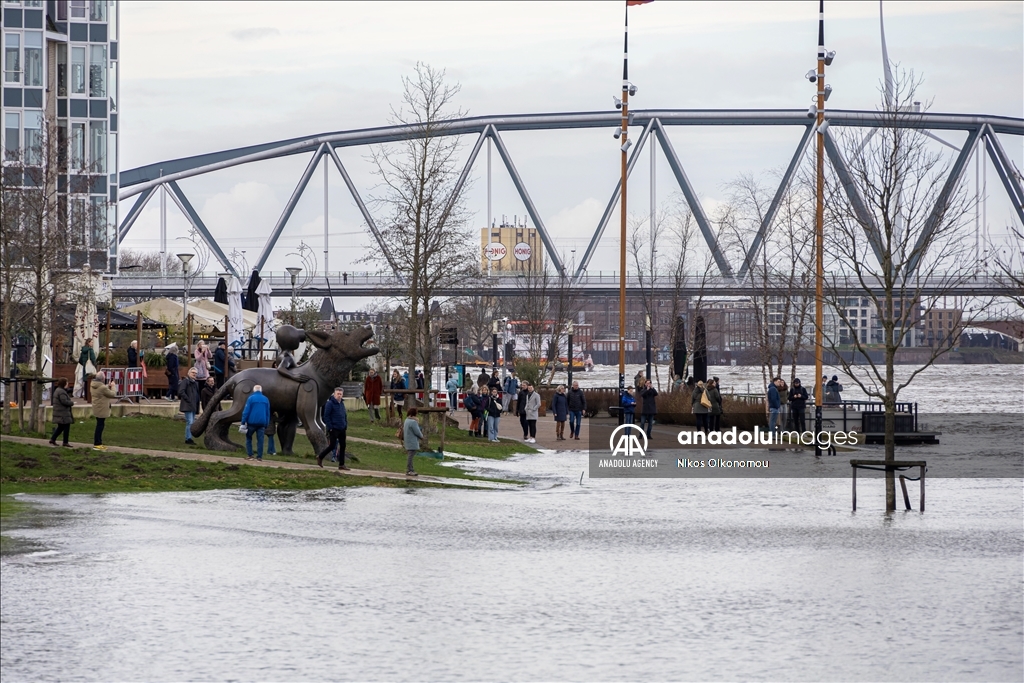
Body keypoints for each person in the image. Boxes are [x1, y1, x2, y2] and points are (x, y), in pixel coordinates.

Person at [319, 387, 349, 469]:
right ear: (334, 394)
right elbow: (326, 416)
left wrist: (345, 424)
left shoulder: (341, 403)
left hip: (342, 428)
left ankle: (341, 464)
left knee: (343, 446)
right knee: (332, 446)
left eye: (340, 394)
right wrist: (330, 427)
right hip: (334, 428)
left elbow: (344, 415)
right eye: (338, 394)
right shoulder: (330, 403)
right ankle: (320, 457)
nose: (339, 395)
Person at [240, 384, 271, 461]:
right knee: (260, 440)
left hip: (251, 422)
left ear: (254, 390)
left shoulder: (251, 398)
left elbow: (246, 411)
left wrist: (243, 422)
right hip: (262, 423)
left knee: (249, 438)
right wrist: (267, 423)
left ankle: (250, 455)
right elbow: (267, 413)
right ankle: (259, 456)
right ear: (261, 390)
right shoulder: (266, 399)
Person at [90, 371, 117, 451]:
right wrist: (113, 386)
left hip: (97, 407)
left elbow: (102, 390)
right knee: (100, 426)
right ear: (102, 379)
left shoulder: (93, 385)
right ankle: (97, 443)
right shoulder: (102, 388)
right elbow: (112, 394)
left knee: (99, 425)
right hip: (102, 408)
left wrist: (107, 386)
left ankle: (98, 443)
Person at [48, 377, 74, 447]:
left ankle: (53, 439)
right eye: (67, 382)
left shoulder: (58, 390)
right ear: (64, 384)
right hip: (63, 413)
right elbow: (64, 401)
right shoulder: (61, 391)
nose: (67, 384)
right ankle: (65, 442)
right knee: (66, 427)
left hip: (59, 412)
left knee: (60, 427)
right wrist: (71, 403)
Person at [179, 367, 201, 445]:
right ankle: (188, 438)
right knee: (190, 422)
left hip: (193, 405)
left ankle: (189, 437)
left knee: (192, 422)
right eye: (193, 373)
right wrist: (188, 400)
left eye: (195, 373)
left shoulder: (195, 383)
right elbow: (181, 391)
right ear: (189, 373)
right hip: (188, 405)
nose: (194, 374)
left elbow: (197, 394)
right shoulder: (185, 381)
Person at [402, 408, 423, 476]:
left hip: (407, 440)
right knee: (410, 456)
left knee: (410, 455)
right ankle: (410, 470)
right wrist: (422, 436)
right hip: (412, 441)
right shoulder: (413, 422)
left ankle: (410, 469)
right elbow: (417, 432)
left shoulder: (406, 420)